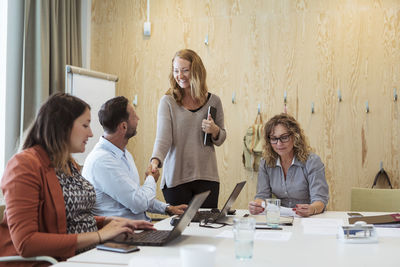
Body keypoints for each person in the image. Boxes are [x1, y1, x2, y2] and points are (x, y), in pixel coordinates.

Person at [0, 93, 155, 266]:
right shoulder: (24, 165)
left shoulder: (67, 162)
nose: (90, 133)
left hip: (87, 255)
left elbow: (69, 218)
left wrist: (108, 222)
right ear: (63, 126)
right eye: (85, 125)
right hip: (56, 261)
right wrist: (99, 235)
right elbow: (26, 243)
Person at [82, 96, 187, 221]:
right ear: (124, 127)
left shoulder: (124, 154)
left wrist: (167, 208)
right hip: (121, 236)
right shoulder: (102, 161)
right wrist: (151, 179)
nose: (138, 118)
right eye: (134, 116)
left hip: (138, 230)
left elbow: (138, 196)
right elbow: (139, 203)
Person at [150, 49, 226, 208]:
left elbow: (221, 137)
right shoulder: (168, 102)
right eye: (176, 70)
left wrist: (215, 130)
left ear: (196, 71)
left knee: (206, 229)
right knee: (182, 230)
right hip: (177, 179)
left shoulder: (214, 101)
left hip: (207, 178)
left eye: (185, 70)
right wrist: (155, 162)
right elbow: (163, 139)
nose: (180, 75)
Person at [248, 113, 329, 217]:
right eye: (274, 138)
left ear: (295, 137)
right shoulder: (266, 162)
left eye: (284, 137)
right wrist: (257, 205)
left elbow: (320, 200)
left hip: (309, 218)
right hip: (281, 218)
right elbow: (262, 195)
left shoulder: (312, 161)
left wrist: (311, 209)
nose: (279, 144)